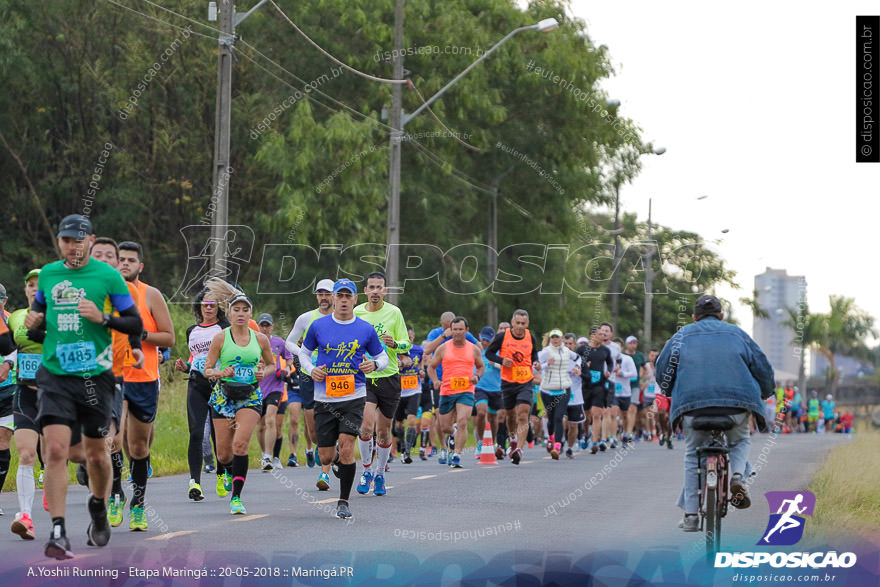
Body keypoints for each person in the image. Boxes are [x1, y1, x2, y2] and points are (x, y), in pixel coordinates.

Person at [26, 214, 144, 558]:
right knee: (55, 451)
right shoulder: (48, 274)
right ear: (59, 242)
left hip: (95, 377)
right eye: (66, 240)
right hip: (54, 375)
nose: (72, 246)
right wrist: (34, 323)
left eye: (78, 240)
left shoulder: (107, 276)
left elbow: (133, 322)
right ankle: (59, 529)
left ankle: (98, 505)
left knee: (96, 453)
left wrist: (103, 318)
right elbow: (38, 328)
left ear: (90, 240)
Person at [655, 294, 775, 532]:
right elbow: (762, 367)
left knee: (692, 454)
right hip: (736, 406)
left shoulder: (680, 336)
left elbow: (663, 371)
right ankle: (738, 477)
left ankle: (690, 516)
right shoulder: (738, 334)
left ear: (694, 317)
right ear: (721, 316)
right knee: (739, 440)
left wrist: (670, 390)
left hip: (692, 407)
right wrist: (765, 391)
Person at [297, 278, 388, 519]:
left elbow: (384, 358)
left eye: (349, 296)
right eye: (341, 296)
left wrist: (374, 364)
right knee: (325, 455)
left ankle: (343, 502)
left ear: (355, 299)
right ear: (334, 299)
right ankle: (334, 458)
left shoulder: (365, 329)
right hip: (325, 397)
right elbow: (304, 354)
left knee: (348, 448)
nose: (345, 300)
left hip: (354, 396)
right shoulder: (318, 326)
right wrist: (310, 369)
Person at [202, 279, 275, 515]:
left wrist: (263, 372)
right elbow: (207, 369)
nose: (241, 314)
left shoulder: (260, 339)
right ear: (229, 313)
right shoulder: (220, 338)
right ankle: (228, 471)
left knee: (240, 444)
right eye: (237, 310)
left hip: (250, 397)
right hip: (223, 397)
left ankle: (236, 497)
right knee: (224, 454)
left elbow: (272, 365)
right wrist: (221, 372)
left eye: (245, 310)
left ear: (250, 313)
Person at [117, 241, 175, 530]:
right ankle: (115, 493)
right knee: (113, 439)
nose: (125, 264)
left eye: (131, 260)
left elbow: (169, 338)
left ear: (140, 265)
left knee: (138, 448)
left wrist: (141, 333)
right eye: (121, 259)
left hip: (144, 378)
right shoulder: (104, 295)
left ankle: (137, 505)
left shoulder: (150, 295)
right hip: (113, 377)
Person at [353, 272, 410, 496]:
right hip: (364, 377)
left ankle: (380, 474)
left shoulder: (394, 313)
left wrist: (395, 343)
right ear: (365, 291)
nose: (375, 291)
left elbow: (406, 343)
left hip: (389, 377)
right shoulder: (357, 313)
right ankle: (366, 470)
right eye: (371, 287)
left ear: (385, 291)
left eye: (379, 287)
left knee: (384, 432)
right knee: (366, 427)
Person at [174, 287, 230, 502]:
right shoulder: (192, 331)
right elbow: (195, 359)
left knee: (219, 436)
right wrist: (185, 367)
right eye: (205, 304)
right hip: (197, 385)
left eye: (213, 304)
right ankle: (194, 482)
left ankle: (221, 474)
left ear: (218, 307)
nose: (208, 308)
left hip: (219, 386)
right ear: (199, 306)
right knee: (196, 433)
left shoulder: (225, 328)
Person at [7, 270, 43, 538]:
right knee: (27, 454)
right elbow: (12, 342)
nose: (34, 289)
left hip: (56, 396)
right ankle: (26, 516)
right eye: (30, 285)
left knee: (56, 457)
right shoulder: (17, 316)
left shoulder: (64, 319)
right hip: (25, 394)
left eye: (39, 285)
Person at [285, 279, 335, 468]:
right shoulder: (306, 318)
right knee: (313, 432)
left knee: (334, 417)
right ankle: (322, 445)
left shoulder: (343, 317)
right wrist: (303, 354)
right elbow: (289, 342)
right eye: (320, 294)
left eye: (327, 294)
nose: (323, 297)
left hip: (335, 375)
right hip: (309, 375)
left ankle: (330, 454)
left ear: (334, 296)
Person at [485, 309, 540, 465]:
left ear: (527, 323)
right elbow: (489, 353)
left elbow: (533, 353)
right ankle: (513, 438)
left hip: (525, 381)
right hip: (508, 382)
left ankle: (519, 450)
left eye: (523, 323)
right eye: (517, 323)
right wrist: (502, 361)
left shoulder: (531, 337)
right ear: (512, 322)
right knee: (510, 416)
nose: (520, 326)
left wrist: (535, 362)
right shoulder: (503, 337)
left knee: (523, 415)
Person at [423, 311, 479, 464]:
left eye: (459, 329)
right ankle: (448, 441)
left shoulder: (468, 339)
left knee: (462, 421)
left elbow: (480, 357)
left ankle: (456, 455)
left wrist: (476, 376)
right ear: (444, 326)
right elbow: (427, 351)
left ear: (465, 330)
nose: (456, 332)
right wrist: (434, 380)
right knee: (443, 425)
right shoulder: (439, 337)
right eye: (452, 329)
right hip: (444, 385)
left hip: (466, 388)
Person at [255, 313, 294, 471]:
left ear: (272, 327)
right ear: (257, 326)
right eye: (262, 325)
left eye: (267, 325)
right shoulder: (251, 342)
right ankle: (264, 453)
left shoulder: (279, 342)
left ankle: (268, 457)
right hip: (257, 388)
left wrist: (286, 368)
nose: (264, 329)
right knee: (260, 426)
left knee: (271, 420)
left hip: (276, 387)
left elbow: (289, 357)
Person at [537, 329, 579, 459]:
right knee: (550, 418)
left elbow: (578, 358)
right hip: (547, 390)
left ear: (561, 339)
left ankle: (558, 446)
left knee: (559, 417)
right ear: (550, 339)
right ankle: (550, 437)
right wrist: (545, 364)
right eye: (553, 337)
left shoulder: (567, 351)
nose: (555, 340)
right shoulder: (545, 352)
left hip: (564, 389)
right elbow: (535, 367)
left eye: (558, 337)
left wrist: (577, 367)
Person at [576, 326, 613, 453]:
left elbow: (610, 362)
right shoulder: (582, 349)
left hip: (599, 385)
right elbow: (574, 362)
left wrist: (609, 371)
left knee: (597, 414)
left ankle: (595, 442)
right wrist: (582, 366)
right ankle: (586, 433)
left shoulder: (605, 350)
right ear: (592, 336)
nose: (603, 336)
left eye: (604, 334)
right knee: (586, 416)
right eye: (600, 334)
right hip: (585, 385)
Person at [393, 326, 423, 464]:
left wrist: (422, 371)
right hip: (398, 391)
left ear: (414, 337)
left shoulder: (419, 350)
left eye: (410, 338)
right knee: (398, 423)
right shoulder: (395, 350)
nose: (409, 340)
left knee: (411, 421)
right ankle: (402, 445)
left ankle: (407, 452)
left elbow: (421, 365)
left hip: (414, 390)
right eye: (406, 338)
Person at [473, 326, 502, 461]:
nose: (485, 342)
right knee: (481, 412)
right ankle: (480, 443)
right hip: (480, 387)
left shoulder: (498, 351)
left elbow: (507, 366)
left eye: (488, 340)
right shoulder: (475, 350)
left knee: (493, 418)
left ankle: (492, 442)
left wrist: (495, 363)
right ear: (479, 336)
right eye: (483, 339)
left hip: (496, 389)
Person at [562, 333, 584, 459]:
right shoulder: (558, 358)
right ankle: (559, 443)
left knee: (573, 425)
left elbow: (588, 377)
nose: (568, 346)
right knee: (562, 420)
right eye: (565, 343)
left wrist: (580, 372)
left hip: (576, 397)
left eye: (570, 344)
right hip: (561, 394)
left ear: (574, 345)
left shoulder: (579, 359)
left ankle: (570, 447)